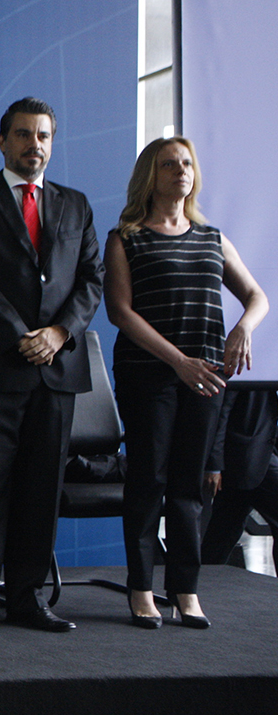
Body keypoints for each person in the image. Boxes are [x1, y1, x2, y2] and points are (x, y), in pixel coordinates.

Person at [0, 97, 103, 632]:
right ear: (2, 140)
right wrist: (20, 336)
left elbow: (92, 279)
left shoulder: (76, 204)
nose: (35, 144)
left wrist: (59, 333)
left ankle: (29, 599)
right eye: (24, 134)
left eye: (44, 136)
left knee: (41, 491)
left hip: (58, 370)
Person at [105, 136, 267, 629]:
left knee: (190, 486)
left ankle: (185, 589)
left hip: (205, 379)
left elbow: (257, 296)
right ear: (149, 176)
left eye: (187, 163)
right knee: (148, 480)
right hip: (148, 375)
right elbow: (120, 312)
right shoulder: (127, 238)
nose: (181, 171)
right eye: (169, 164)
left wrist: (243, 327)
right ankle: (141, 588)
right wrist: (178, 361)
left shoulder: (212, 237)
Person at [203, 389, 278, 571]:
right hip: (247, 455)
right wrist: (214, 464)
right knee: (224, 529)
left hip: (257, 453)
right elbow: (221, 412)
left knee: (224, 529)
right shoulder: (248, 372)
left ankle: (196, 580)